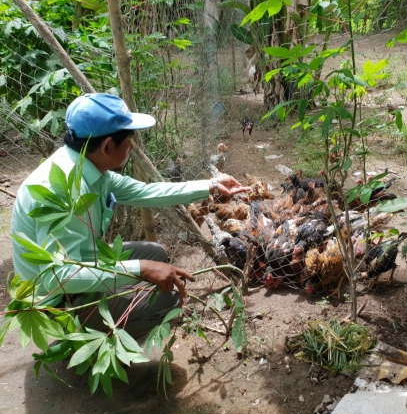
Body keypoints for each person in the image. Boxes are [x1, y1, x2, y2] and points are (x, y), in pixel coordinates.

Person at [11, 93, 249, 338]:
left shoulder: (90, 168)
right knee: (168, 300)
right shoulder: (63, 189)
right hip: (58, 302)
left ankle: (119, 303)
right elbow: (59, 278)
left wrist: (211, 185)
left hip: (84, 261)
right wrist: (140, 269)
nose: (132, 147)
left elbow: (147, 192)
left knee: (155, 254)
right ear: (107, 146)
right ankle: (92, 340)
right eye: (130, 140)